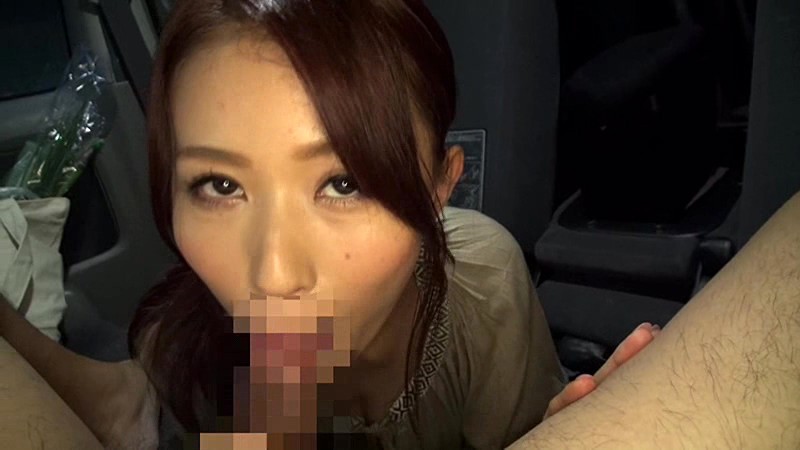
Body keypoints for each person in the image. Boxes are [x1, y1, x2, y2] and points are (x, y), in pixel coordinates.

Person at [0, 0, 655, 448]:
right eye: (221, 186)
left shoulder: (484, 288)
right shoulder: (190, 342)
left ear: (439, 187)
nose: (272, 276)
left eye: (344, 183)